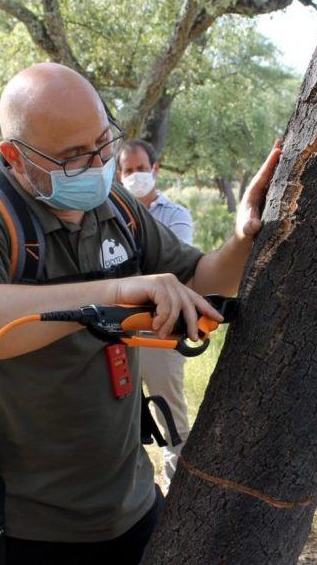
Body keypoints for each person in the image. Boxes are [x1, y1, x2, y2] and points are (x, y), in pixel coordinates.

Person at [0, 62, 278, 563]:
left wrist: (244, 236)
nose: (96, 164)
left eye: (103, 143)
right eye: (72, 156)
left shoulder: (116, 208)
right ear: (15, 157)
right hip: (16, 525)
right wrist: (116, 291)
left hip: (125, 507)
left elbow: (199, 281)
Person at [116, 139, 193, 492]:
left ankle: (178, 494)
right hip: (119, 331)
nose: (136, 176)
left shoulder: (175, 215)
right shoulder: (110, 218)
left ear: (155, 169)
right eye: (128, 170)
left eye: (141, 169)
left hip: (161, 331)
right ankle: (137, 495)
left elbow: (173, 270)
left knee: (170, 417)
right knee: (121, 418)